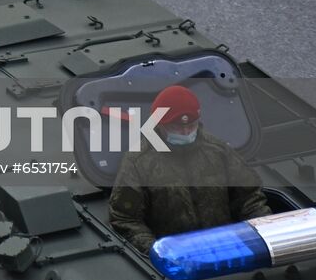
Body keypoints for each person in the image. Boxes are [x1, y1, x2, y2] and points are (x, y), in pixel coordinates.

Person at [108, 85, 271, 253]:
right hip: (174, 260)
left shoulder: (217, 150)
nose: (185, 132)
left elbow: (250, 199)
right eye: (175, 127)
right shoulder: (139, 162)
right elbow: (126, 219)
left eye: (190, 125)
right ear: (159, 124)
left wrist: (263, 234)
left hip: (226, 249)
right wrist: (157, 253)